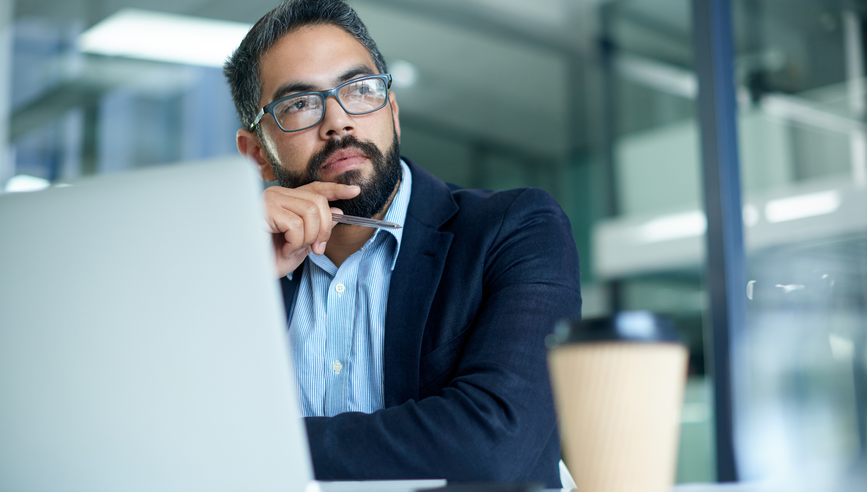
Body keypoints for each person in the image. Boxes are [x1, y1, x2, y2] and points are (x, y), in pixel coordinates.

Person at [224, 0, 581, 486]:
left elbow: (496, 449)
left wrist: (248, 450)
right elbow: (157, 436)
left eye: (360, 89)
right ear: (257, 156)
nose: (338, 121)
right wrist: (239, 278)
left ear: (392, 112)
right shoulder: (235, 268)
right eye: (299, 104)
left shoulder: (515, 229)